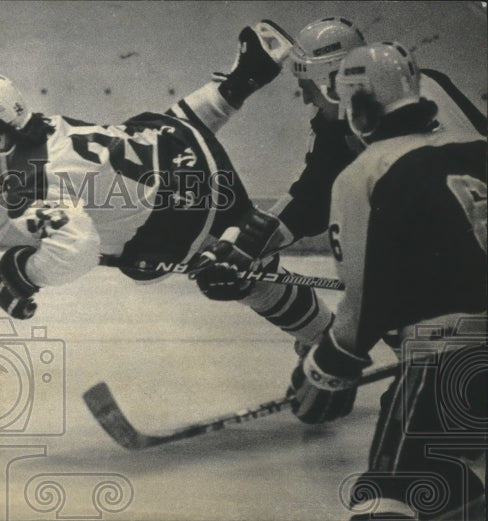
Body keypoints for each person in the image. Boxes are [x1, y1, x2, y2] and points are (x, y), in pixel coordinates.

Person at [0, 21, 336, 354]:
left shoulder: (33, 178)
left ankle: (329, 344)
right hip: (171, 148)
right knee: (240, 259)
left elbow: (76, 250)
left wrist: (23, 273)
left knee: (240, 276)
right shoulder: (35, 140)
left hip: (185, 209)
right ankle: (234, 85)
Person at [189, 15, 488, 422]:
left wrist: (331, 360)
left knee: (415, 440)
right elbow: (312, 194)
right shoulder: (414, 95)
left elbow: (366, 294)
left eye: (309, 87)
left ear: (335, 81)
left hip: (457, 298)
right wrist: (248, 245)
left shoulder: (369, 160)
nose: (309, 100)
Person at [285, 42, 487, 520]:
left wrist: (321, 372)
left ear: (357, 104)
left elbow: (360, 309)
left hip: (451, 356)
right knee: (444, 481)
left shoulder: (365, 174)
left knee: (387, 494)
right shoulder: (481, 149)